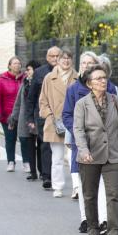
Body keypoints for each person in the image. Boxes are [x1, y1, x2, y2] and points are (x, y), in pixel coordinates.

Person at [73, 65, 118, 235]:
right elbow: (79, 130)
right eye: (98, 78)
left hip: (113, 155)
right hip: (89, 156)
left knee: (113, 195)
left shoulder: (115, 101)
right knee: (89, 195)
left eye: (104, 77)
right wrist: (83, 150)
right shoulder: (82, 104)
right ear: (90, 84)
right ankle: (93, 231)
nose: (102, 81)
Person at [63, 52, 116, 233]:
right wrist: (79, 134)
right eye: (83, 62)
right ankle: (85, 218)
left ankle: (103, 220)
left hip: (104, 144)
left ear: (96, 65)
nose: (85, 65)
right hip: (82, 143)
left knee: (101, 183)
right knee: (84, 183)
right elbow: (67, 115)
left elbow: (117, 114)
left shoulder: (108, 87)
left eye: (89, 62)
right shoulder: (73, 89)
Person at [39, 48, 78, 198]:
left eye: (69, 58)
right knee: (57, 157)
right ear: (58, 60)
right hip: (54, 123)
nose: (66, 60)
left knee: (74, 157)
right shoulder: (49, 78)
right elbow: (43, 100)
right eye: (63, 58)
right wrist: (49, 116)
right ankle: (58, 186)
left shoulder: (78, 77)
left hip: (74, 122)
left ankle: (76, 187)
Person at [25, 46, 61, 189]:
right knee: (46, 146)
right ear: (47, 58)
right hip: (44, 116)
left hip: (62, 116)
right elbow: (31, 97)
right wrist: (30, 119)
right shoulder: (39, 73)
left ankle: (60, 175)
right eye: (52, 56)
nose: (55, 59)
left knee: (60, 148)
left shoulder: (67, 73)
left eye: (57, 56)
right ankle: (47, 177)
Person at [9, 60, 42, 180]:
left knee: (41, 146)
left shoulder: (42, 83)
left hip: (39, 118)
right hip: (26, 119)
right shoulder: (25, 83)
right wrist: (13, 118)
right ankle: (33, 172)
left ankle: (42, 171)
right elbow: (18, 103)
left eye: (29, 69)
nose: (26, 72)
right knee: (29, 145)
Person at [0, 56, 25, 171]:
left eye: (19, 63)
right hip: (7, 115)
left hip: (22, 115)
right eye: (15, 63)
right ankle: (11, 161)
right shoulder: (2, 79)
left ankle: (26, 162)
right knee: (10, 139)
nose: (17, 65)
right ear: (9, 66)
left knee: (24, 139)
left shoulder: (25, 78)